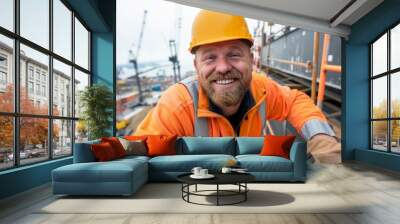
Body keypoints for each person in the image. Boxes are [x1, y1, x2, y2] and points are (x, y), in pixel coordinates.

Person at [135, 10, 341, 163]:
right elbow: (140, 153)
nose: (223, 67)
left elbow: (295, 101)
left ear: (251, 60)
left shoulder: (261, 89)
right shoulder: (178, 105)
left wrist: (320, 138)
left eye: (234, 54)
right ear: (196, 66)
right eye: (210, 58)